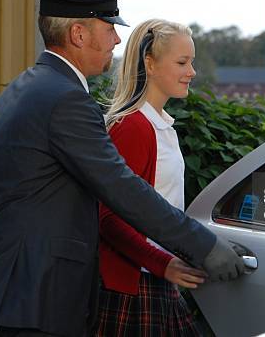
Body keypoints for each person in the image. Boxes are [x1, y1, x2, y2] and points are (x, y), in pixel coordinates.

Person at [0, 0, 245, 337]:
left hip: (12, 284)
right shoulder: (66, 100)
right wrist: (205, 245)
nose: (117, 41)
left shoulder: (24, 87)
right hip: (39, 294)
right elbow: (122, 188)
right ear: (78, 34)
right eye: (109, 29)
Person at [95, 19, 203, 335]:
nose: (192, 72)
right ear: (150, 64)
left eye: (192, 62)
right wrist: (163, 263)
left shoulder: (161, 126)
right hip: (134, 287)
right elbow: (109, 219)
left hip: (156, 280)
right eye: (182, 62)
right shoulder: (132, 127)